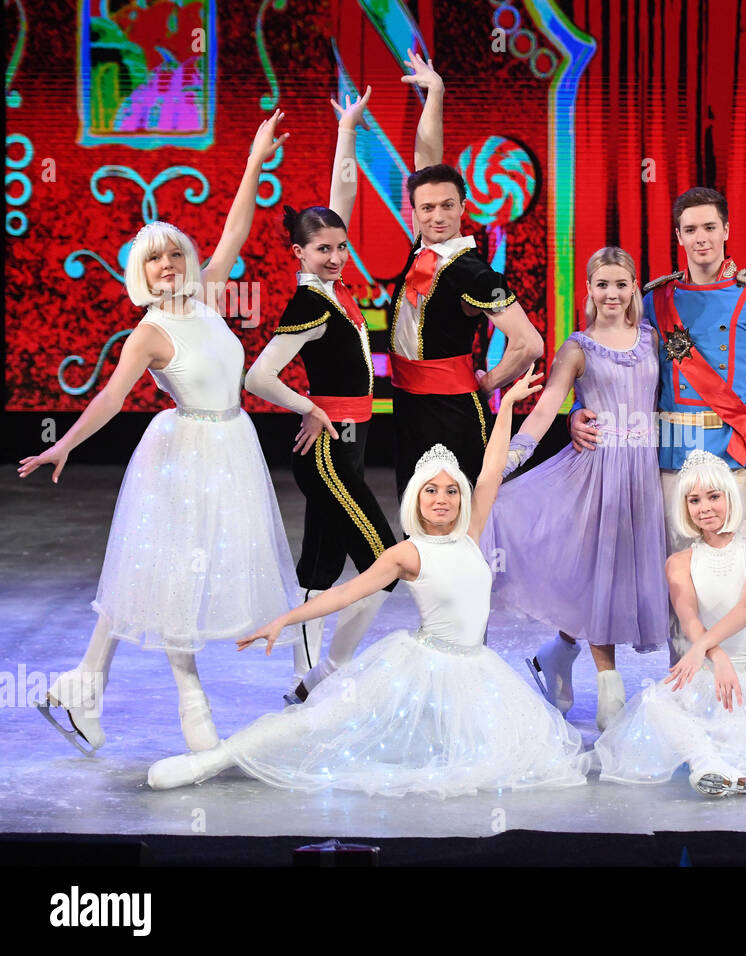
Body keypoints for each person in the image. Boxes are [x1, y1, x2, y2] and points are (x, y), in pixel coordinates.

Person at [146, 370, 594, 795]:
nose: (442, 499)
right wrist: (283, 620)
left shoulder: (471, 535)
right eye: (431, 491)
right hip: (419, 667)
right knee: (319, 723)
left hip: (475, 671)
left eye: (451, 490)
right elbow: (344, 593)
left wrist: (510, 404)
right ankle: (211, 760)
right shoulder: (408, 553)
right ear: (416, 500)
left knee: (506, 758)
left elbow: (493, 467)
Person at [20, 113, 298, 755]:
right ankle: (190, 706)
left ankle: (84, 682)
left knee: (149, 576)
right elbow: (113, 398)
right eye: (156, 258)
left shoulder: (208, 296)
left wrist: (255, 157)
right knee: (168, 576)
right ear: (140, 273)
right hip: (181, 454)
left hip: (231, 447)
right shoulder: (149, 332)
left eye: (176, 253)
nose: (169, 263)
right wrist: (64, 444)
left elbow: (235, 227)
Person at [568, 187, 746, 667]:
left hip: (733, 450)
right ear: (677, 235)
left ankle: (743, 678)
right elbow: (614, 360)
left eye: (709, 228)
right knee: (681, 574)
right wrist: (577, 410)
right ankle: (687, 678)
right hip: (670, 453)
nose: (701, 238)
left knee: (737, 571)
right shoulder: (656, 301)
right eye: (690, 229)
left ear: (726, 231)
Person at [244, 88, 399, 705]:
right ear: (298, 255)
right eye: (323, 249)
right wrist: (309, 406)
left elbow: (343, 196)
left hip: (347, 444)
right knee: (387, 567)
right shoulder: (309, 302)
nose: (336, 256)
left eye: (339, 246)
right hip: (328, 447)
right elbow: (258, 377)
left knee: (319, 567)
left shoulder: (332, 289)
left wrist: (348, 130)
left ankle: (302, 687)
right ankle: (328, 672)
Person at [480, 248, 667, 730]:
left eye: (621, 283)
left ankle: (556, 655)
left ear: (633, 288)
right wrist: (510, 459)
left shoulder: (653, 340)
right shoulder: (578, 346)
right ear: (589, 289)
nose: (611, 293)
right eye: (602, 284)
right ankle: (609, 688)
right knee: (597, 574)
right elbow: (545, 407)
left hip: (642, 474)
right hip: (595, 474)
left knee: (611, 577)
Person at [595, 450, 746, 797]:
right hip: (706, 676)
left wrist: (703, 648)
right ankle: (706, 763)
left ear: (729, 497)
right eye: (695, 500)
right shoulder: (678, 562)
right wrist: (715, 657)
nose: (705, 508)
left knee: (743, 733)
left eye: (713, 497)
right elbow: (688, 619)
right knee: (655, 702)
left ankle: (725, 764)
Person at [387, 51, 543, 496]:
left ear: (463, 207)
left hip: (452, 408)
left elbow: (530, 342)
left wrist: (489, 381)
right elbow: (426, 161)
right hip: (410, 402)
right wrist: (434, 93)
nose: (437, 215)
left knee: (458, 507)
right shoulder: (424, 249)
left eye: (447, 206)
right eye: (427, 207)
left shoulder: (474, 272)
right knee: (413, 505)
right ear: (414, 213)